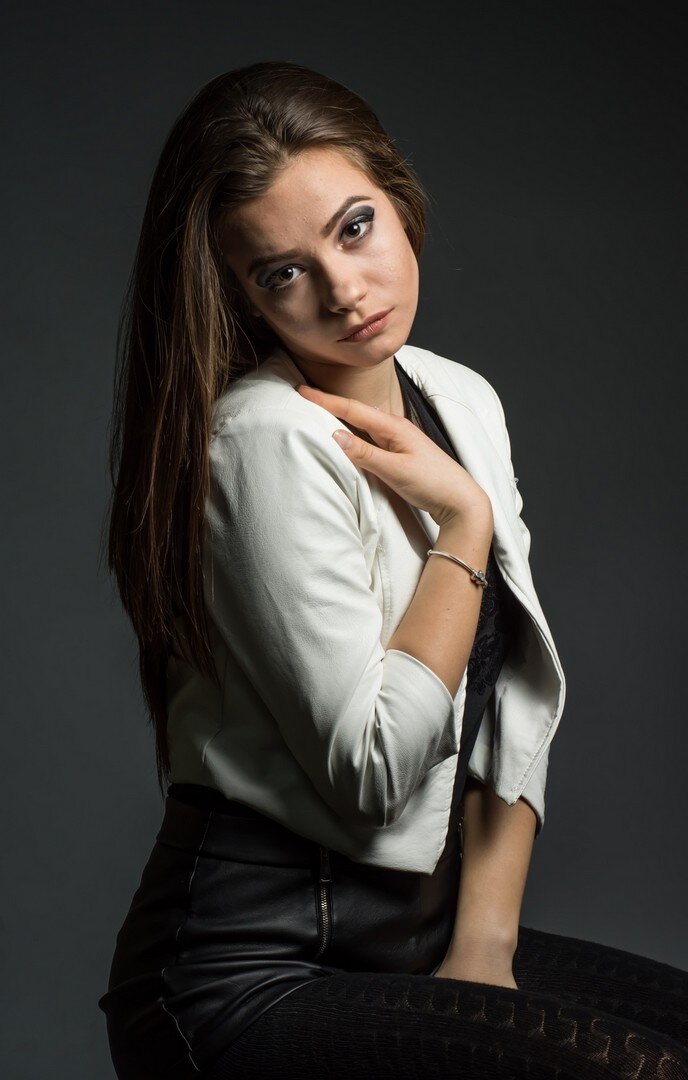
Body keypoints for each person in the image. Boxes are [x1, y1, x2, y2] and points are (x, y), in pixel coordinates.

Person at [98, 60, 688, 1080]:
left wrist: (484, 949)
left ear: (399, 199)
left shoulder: (458, 399)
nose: (344, 290)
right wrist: (462, 523)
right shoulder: (262, 440)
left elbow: (516, 700)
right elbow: (371, 772)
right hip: (248, 975)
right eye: (282, 273)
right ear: (240, 296)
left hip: (419, 943)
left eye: (355, 228)